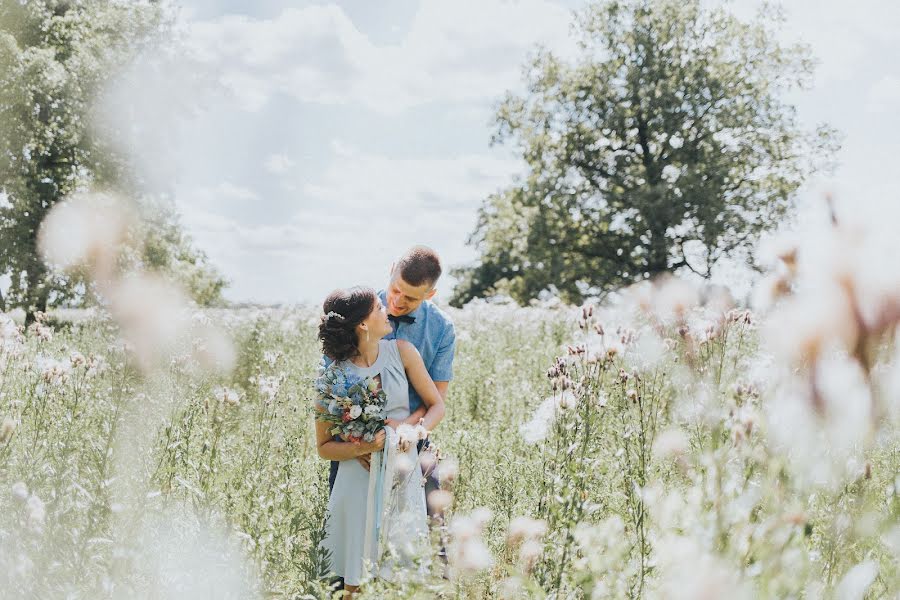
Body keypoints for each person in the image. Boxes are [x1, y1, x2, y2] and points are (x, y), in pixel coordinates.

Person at [315, 286, 446, 595]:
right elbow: (323, 448)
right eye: (377, 308)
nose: (386, 308)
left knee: (401, 569)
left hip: (403, 472)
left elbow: (435, 405)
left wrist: (414, 430)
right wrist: (366, 445)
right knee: (354, 580)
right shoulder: (333, 377)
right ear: (362, 324)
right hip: (356, 480)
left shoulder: (402, 351)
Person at [328, 246, 456, 507]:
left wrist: (400, 436)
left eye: (410, 298)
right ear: (390, 271)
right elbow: (332, 385)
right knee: (351, 528)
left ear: (430, 294)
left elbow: (435, 399)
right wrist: (360, 443)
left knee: (430, 532)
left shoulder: (441, 328)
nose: (397, 301)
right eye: (395, 289)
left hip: (413, 437)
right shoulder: (356, 312)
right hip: (354, 441)